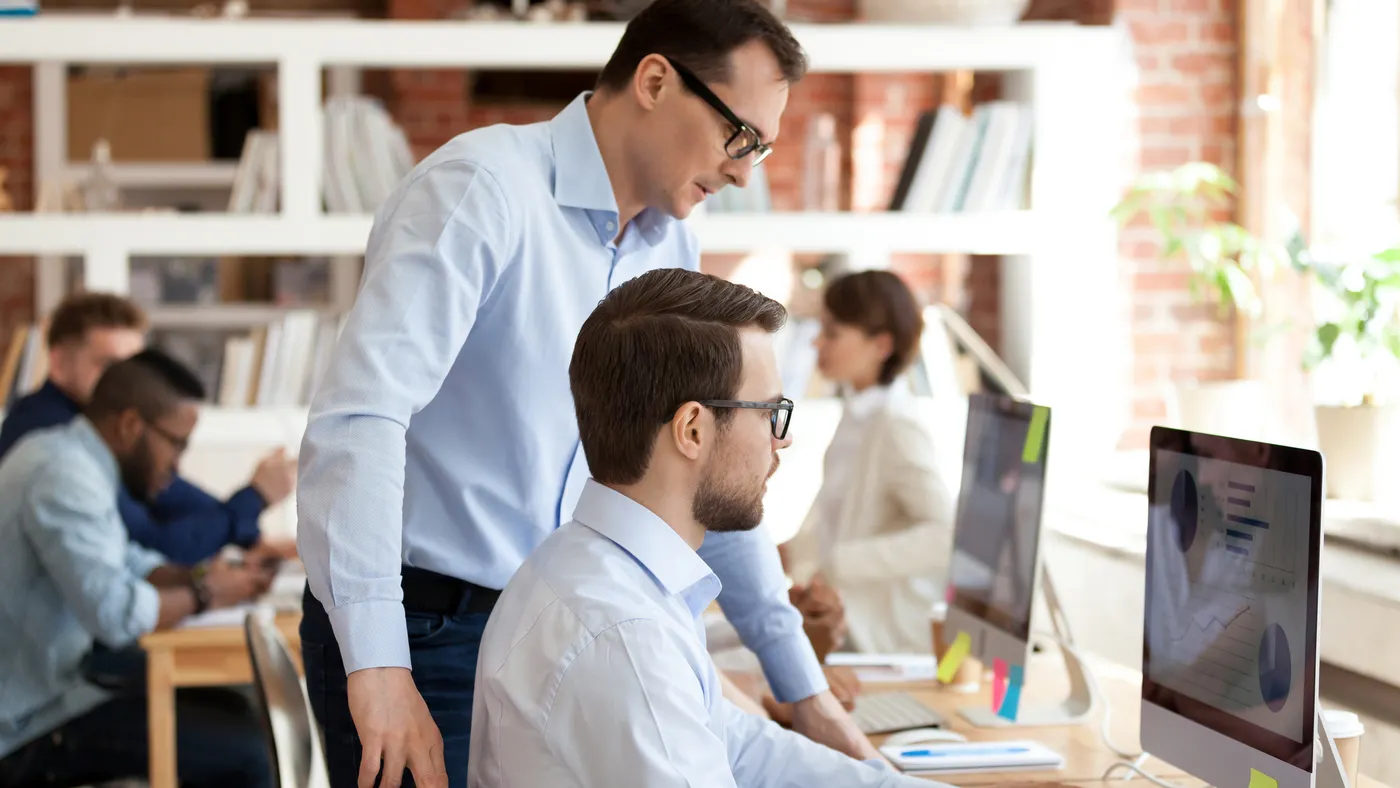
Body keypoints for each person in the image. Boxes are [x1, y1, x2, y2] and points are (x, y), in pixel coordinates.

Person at [295, 1, 874, 786]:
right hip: (426, 629)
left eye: (760, 148)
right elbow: (361, 419)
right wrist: (379, 667)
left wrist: (805, 691)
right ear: (656, 80)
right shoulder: (479, 190)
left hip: (567, 626)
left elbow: (709, 464)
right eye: (740, 136)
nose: (745, 170)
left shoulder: (670, 241)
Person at [471, 267, 939, 788]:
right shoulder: (624, 636)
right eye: (768, 413)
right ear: (692, 429)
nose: (780, 441)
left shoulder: (603, 572)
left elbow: (741, 748)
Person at [0, 349, 275, 788]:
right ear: (130, 425)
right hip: (24, 724)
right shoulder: (62, 475)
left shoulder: (71, 459)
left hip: (56, 688)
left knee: (239, 710)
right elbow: (115, 616)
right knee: (249, 750)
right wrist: (207, 595)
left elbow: (126, 562)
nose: (177, 464)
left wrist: (207, 578)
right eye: (177, 444)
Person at [0, 291, 298, 566]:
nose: (130, 382)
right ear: (58, 362)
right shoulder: (54, 440)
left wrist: (248, 532)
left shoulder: (105, 431)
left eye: (137, 369)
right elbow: (152, 543)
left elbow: (175, 497)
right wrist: (254, 499)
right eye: (110, 366)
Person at [780, 270, 956, 654]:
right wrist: (789, 553)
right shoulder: (858, 415)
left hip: (873, 636)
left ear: (881, 345)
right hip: (838, 620)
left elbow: (945, 535)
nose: (817, 342)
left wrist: (840, 564)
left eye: (833, 332)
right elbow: (837, 520)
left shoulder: (897, 425)